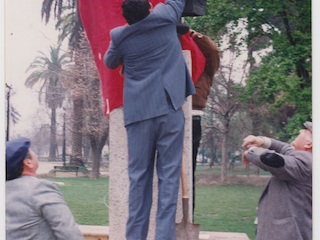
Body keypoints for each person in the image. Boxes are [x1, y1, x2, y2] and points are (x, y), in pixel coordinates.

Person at [104, 0, 195, 239]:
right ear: (149, 9)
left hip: (139, 114)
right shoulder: (165, 15)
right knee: (169, 180)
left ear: (127, 17)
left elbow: (109, 62)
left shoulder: (120, 35)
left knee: (138, 180)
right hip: (169, 109)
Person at [241, 121, 312, 240]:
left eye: (306, 131)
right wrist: (263, 141)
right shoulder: (306, 159)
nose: (301, 131)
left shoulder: (306, 163)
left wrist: (251, 151)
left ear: (309, 144)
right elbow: (285, 148)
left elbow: (272, 159)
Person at [6, 137, 84, 240]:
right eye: (33, 152)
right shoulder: (38, 189)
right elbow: (70, 234)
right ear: (28, 162)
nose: (36, 155)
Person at [188, 29, 220, 217]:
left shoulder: (207, 66)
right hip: (167, 115)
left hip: (191, 116)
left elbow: (212, 51)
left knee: (187, 171)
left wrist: (193, 35)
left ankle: (187, 217)